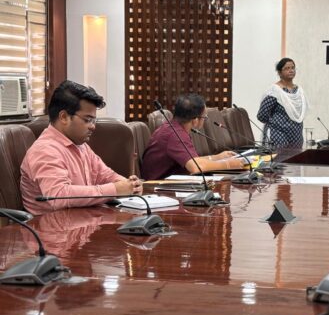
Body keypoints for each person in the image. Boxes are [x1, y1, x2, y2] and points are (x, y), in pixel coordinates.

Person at [20, 80, 143, 215]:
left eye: (94, 120)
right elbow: (58, 196)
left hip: (82, 221)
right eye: (87, 120)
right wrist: (115, 189)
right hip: (52, 226)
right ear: (64, 117)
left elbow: (105, 175)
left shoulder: (80, 146)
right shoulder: (45, 150)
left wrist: (129, 185)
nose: (93, 126)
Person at [141, 93, 245, 180]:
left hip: (169, 183)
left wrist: (217, 158)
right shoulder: (175, 135)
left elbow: (192, 160)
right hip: (157, 188)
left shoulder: (173, 128)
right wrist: (229, 164)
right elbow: (196, 167)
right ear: (195, 120)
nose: (204, 119)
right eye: (204, 117)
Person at [257, 58, 309, 149]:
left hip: (296, 133)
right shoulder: (275, 91)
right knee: (279, 157)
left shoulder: (299, 91)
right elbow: (262, 115)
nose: (291, 70)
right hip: (278, 133)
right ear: (280, 72)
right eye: (287, 68)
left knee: (296, 157)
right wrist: (277, 123)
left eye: (293, 68)